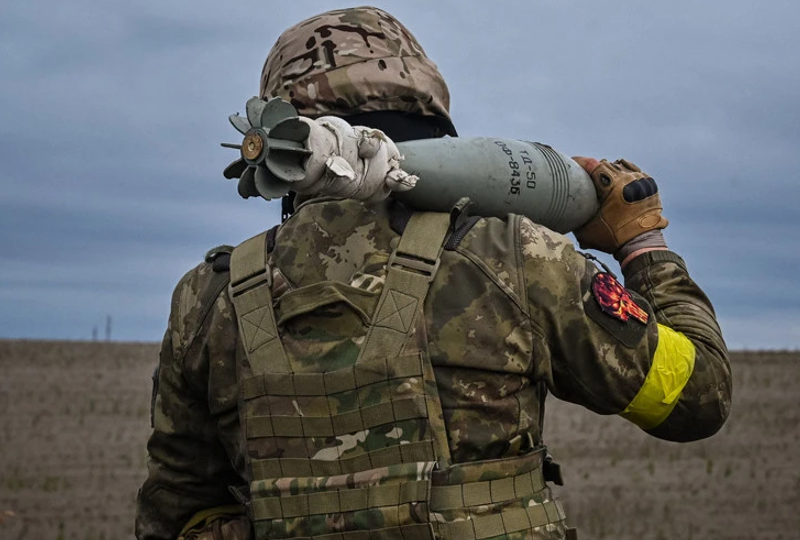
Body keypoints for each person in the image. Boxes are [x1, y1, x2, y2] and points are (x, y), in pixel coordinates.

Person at [135, 7, 731, 540]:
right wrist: (642, 240)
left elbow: (178, 506)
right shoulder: (515, 258)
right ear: (428, 107)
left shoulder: (210, 295)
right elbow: (696, 399)